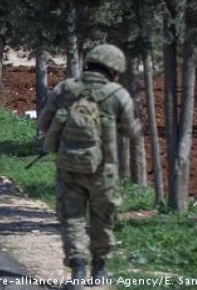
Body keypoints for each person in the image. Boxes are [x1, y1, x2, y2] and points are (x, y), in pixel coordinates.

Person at [37, 44, 141, 290]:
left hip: (68, 167)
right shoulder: (117, 94)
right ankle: (100, 272)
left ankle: (77, 273)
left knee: (71, 218)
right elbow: (130, 131)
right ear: (114, 69)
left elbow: (44, 124)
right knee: (102, 220)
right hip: (104, 170)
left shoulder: (65, 88)